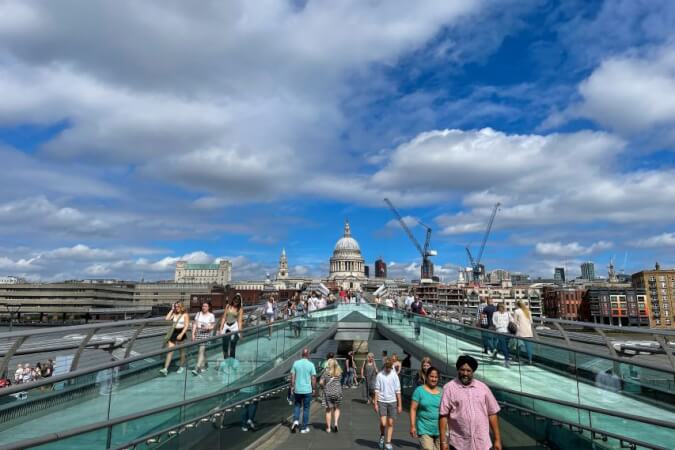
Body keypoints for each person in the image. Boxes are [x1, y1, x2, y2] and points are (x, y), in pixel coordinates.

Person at [439, 355, 502, 450]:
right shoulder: (449, 388)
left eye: (468, 371)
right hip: (459, 444)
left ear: (473, 372)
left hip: (482, 443)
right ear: (458, 370)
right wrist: (443, 441)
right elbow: (443, 416)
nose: (465, 373)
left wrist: (497, 439)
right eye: (462, 370)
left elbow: (492, 413)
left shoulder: (483, 388)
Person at [410, 366, 442, 450]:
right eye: (431, 376)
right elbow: (413, 409)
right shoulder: (419, 391)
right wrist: (413, 426)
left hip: (440, 430)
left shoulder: (442, 392)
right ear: (427, 377)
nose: (434, 379)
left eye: (436, 377)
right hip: (424, 429)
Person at [374, 358, 402, 450]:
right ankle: (382, 435)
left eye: (390, 368)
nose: (388, 369)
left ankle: (388, 442)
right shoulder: (380, 375)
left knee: (390, 423)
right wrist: (375, 403)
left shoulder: (394, 375)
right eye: (387, 367)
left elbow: (398, 390)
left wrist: (399, 405)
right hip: (382, 401)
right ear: (384, 366)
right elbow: (377, 390)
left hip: (392, 401)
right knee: (383, 422)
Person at [290, 348, 317, 434]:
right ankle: (303, 428)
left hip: (297, 389)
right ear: (308, 355)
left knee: (297, 406)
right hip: (307, 390)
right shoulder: (311, 365)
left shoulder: (296, 363)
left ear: (302, 354)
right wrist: (314, 388)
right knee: (306, 409)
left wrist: (292, 386)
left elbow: (293, 376)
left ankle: (295, 421)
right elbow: (313, 378)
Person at [160, 302, 189, 376]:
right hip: (173, 332)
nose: (177, 308)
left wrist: (181, 334)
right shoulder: (174, 314)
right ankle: (165, 369)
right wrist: (172, 310)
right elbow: (167, 319)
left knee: (181, 351)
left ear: (182, 307)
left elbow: (186, 326)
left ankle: (181, 366)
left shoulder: (185, 315)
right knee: (170, 350)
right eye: (176, 307)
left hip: (181, 332)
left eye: (178, 306)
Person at [192, 301, 215, 375]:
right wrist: (193, 334)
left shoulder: (211, 315)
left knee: (201, 350)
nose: (204, 307)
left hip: (206, 333)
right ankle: (205, 364)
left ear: (209, 307)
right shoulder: (198, 314)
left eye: (205, 306)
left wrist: (208, 327)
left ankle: (197, 368)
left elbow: (212, 326)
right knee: (202, 350)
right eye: (203, 306)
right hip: (198, 332)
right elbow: (195, 324)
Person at [320, 358, 343, 432]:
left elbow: (321, 382)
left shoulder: (326, 372)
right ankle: (336, 424)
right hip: (337, 392)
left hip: (328, 392)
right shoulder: (339, 372)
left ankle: (329, 428)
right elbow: (340, 381)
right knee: (337, 408)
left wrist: (323, 386)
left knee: (328, 410)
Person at [220, 294, 244, 359]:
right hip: (226, 326)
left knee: (232, 346)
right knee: (225, 345)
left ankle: (232, 361)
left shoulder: (240, 309)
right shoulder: (228, 306)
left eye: (237, 302)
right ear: (233, 300)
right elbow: (224, 318)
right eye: (234, 301)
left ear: (239, 302)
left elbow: (239, 321)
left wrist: (240, 332)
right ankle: (226, 360)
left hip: (234, 327)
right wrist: (220, 328)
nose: (235, 302)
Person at [491, 303, 512, 368]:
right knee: (504, 346)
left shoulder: (505, 313)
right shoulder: (498, 313)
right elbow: (494, 322)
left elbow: (493, 322)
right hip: (503, 331)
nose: (502, 308)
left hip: (504, 331)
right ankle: (507, 360)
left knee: (503, 345)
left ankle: (496, 351)